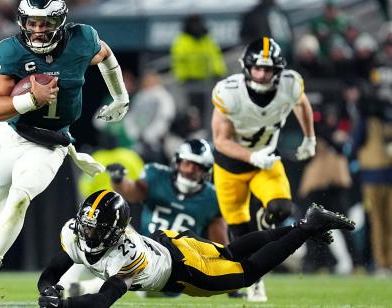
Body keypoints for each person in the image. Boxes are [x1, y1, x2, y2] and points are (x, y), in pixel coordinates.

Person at [0, 0, 129, 302]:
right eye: (32, 22)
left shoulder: (81, 40)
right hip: (10, 136)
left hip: (51, 144)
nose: (37, 29)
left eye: (45, 22)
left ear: (60, 20)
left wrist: (120, 97)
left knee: (20, 197)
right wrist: (30, 101)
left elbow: (106, 54)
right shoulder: (11, 52)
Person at [37, 190, 354, 308]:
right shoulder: (75, 233)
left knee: (246, 272)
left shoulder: (126, 256)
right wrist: (49, 288)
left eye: (94, 227)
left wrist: (63, 306)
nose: (86, 232)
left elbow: (104, 300)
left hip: (183, 269)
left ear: (112, 230)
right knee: (230, 253)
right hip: (172, 241)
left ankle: (307, 227)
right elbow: (54, 267)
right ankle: (307, 225)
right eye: (86, 224)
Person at [211, 36, 316, 301]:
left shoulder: (290, 84)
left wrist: (309, 137)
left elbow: (301, 103)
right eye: (256, 67)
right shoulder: (229, 91)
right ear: (246, 67)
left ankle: (265, 222)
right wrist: (252, 156)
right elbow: (221, 141)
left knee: (281, 209)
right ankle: (255, 282)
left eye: (267, 69)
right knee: (241, 234)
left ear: (278, 70)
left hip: (266, 161)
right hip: (230, 167)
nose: (261, 74)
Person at [61, 139, 228, 297]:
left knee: (132, 264)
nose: (191, 170)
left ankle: (83, 288)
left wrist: (225, 272)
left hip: (174, 268)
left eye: (197, 167)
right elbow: (132, 192)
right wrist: (119, 180)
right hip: (141, 248)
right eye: (188, 163)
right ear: (177, 162)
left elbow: (220, 245)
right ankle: (66, 282)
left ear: (206, 170)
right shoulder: (157, 175)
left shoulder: (212, 198)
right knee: (97, 228)